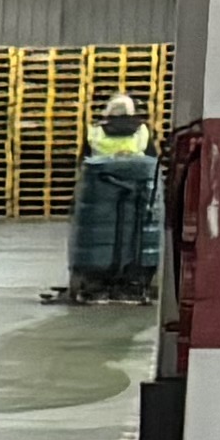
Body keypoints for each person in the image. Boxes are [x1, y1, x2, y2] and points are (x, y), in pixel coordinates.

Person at [56, 85, 163, 304]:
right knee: (136, 239)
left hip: (99, 195)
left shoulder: (95, 132)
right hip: (138, 195)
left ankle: (96, 285)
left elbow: (83, 163)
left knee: (97, 240)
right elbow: (152, 162)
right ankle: (133, 284)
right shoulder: (142, 131)